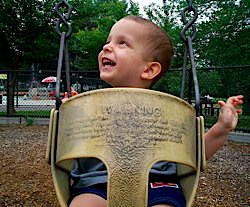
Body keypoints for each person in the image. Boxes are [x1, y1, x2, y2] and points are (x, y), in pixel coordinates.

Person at [67, 15, 243, 207]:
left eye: (122, 43)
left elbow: (192, 155)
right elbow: (72, 142)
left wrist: (222, 128)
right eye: (108, 41)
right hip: (98, 182)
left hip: (157, 183)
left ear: (149, 70)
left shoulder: (165, 114)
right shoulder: (91, 105)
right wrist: (71, 112)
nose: (106, 47)